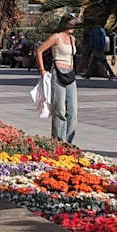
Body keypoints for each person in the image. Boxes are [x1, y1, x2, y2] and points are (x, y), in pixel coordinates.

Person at [36, 16, 81, 144]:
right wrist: (42, 70)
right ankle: (58, 141)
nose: (73, 27)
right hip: (58, 72)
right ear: (65, 24)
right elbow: (39, 51)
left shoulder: (73, 39)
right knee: (59, 109)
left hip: (70, 74)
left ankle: (69, 141)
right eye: (71, 24)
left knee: (72, 109)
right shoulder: (56, 37)